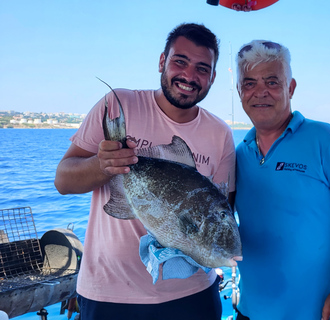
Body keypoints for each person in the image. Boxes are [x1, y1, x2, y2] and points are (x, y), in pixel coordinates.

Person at [54, 23, 236, 320]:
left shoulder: (220, 134)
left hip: (193, 296)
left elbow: (222, 207)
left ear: (213, 77)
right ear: (162, 61)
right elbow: (63, 180)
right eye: (180, 61)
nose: (189, 76)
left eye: (202, 69)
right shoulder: (119, 104)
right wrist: (102, 166)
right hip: (110, 294)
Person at [234, 40, 330, 320]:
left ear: (291, 87)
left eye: (272, 82)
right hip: (250, 311)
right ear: (240, 91)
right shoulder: (238, 154)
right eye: (249, 83)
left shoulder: (323, 138)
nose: (260, 92)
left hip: (318, 313)